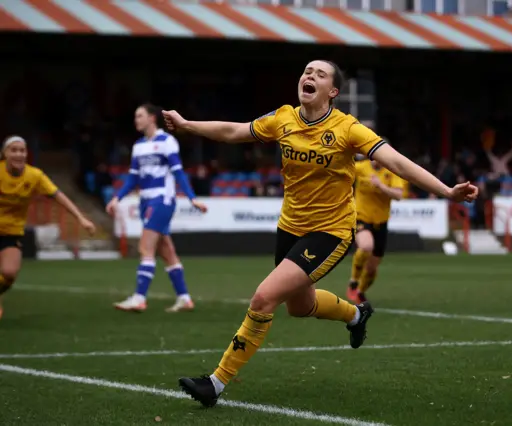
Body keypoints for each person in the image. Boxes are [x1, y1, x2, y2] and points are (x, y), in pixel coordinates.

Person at [162, 60, 478, 408]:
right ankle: (357, 315)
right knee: (301, 306)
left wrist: (446, 191)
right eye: (306, 71)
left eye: (319, 74)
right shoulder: (283, 118)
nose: (309, 75)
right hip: (289, 227)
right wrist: (187, 125)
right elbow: (235, 132)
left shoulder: (348, 129)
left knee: (263, 298)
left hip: (331, 232)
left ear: (333, 92)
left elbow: (396, 162)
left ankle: (216, 383)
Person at [106, 104, 207, 313]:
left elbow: (178, 172)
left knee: (146, 248)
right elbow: (133, 177)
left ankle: (139, 298)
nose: (136, 120)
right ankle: (185, 298)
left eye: (140, 115)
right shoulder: (139, 146)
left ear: (152, 118)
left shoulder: (167, 142)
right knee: (166, 251)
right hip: (145, 201)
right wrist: (118, 198)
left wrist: (192, 198)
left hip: (162, 200)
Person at [0, 135, 96, 319]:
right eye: (14, 150)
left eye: (22, 150)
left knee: (9, 274)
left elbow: (58, 196)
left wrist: (80, 218)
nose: (19, 154)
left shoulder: (34, 175)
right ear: (4, 154)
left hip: (12, 233)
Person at [347, 155, 407, 304]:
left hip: (381, 222)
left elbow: (399, 195)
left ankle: (360, 292)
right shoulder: (360, 167)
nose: (377, 159)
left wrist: (381, 186)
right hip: (361, 217)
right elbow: (342, 173)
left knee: (372, 269)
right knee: (366, 246)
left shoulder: (391, 171)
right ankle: (353, 281)